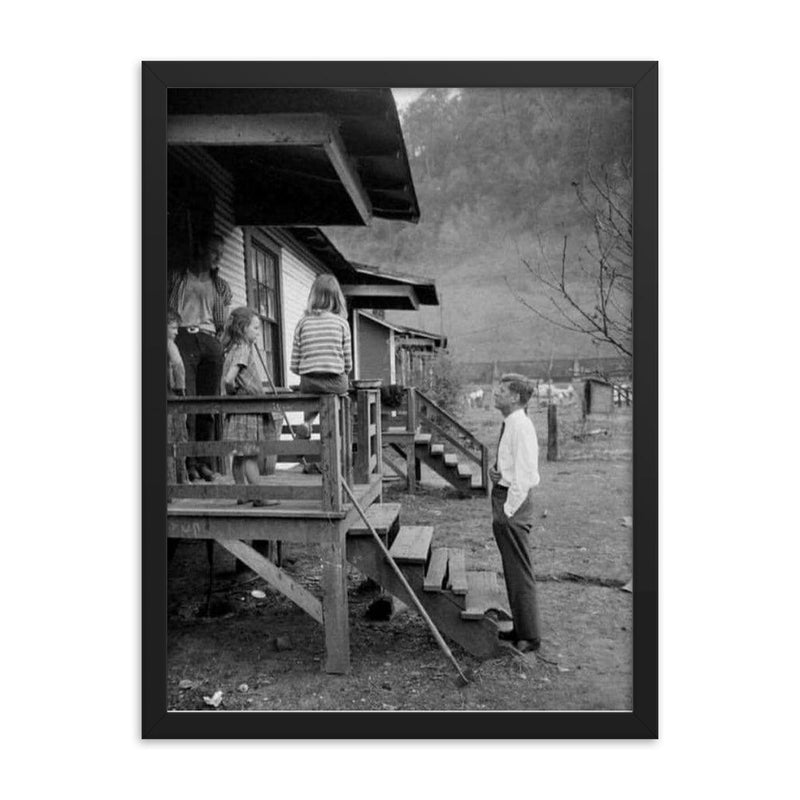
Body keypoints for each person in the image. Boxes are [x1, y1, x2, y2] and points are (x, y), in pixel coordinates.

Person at [168, 232, 232, 482]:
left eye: (222, 253)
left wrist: (219, 343)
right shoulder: (178, 277)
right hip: (183, 337)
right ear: (201, 251)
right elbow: (169, 311)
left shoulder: (221, 285)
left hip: (209, 339)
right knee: (190, 403)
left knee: (208, 404)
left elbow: (222, 321)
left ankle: (205, 462)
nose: (218, 257)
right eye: (214, 252)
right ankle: (189, 463)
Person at [488, 373, 542, 654]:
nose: (496, 393)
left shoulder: (522, 426)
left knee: (520, 570)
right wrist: (495, 473)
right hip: (504, 497)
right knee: (512, 569)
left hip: (513, 504)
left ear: (516, 397)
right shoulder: (510, 424)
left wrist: (508, 510)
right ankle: (520, 626)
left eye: (502, 390)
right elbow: (509, 468)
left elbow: (525, 474)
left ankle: (530, 636)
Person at [221, 307, 279, 507]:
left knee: (239, 456)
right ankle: (259, 496)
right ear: (243, 328)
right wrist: (233, 392)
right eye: (255, 327)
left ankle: (242, 493)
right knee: (250, 456)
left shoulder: (232, 349)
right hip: (247, 410)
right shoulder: (243, 349)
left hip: (237, 412)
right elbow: (229, 379)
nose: (258, 332)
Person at [290, 274, 353, 440]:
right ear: (337, 299)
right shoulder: (342, 324)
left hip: (309, 382)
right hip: (335, 382)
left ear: (313, 297)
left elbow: (294, 364)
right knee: (341, 392)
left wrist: (310, 370)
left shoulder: (302, 323)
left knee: (311, 393)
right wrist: (340, 370)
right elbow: (347, 363)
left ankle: (307, 423)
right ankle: (338, 430)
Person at [167, 310, 188, 489]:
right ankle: (176, 483)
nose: (176, 332)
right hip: (171, 396)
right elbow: (177, 364)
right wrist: (181, 388)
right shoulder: (169, 344)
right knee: (176, 439)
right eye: (173, 327)